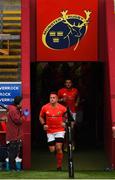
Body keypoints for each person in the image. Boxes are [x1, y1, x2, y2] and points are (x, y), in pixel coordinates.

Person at [39, 92, 67, 171]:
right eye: (51, 98)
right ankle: (58, 153)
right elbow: (40, 117)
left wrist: (65, 122)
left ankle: (59, 166)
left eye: (54, 98)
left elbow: (67, 117)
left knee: (58, 147)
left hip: (60, 130)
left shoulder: (62, 108)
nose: (52, 99)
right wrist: (44, 124)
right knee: (52, 150)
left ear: (57, 99)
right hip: (50, 131)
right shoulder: (45, 107)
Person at [58, 79, 80, 150]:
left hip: (72, 112)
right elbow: (56, 100)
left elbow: (78, 96)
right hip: (64, 112)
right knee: (64, 129)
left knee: (72, 128)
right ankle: (65, 144)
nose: (68, 84)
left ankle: (72, 142)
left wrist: (77, 102)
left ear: (72, 84)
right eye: (67, 83)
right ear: (64, 84)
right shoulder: (61, 91)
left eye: (69, 83)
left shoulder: (75, 90)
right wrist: (61, 100)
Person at [6, 96, 24, 171]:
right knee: (13, 153)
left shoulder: (14, 109)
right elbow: (18, 121)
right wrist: (23, 116)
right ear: (18, 103)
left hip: (14, 134)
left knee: (13, 152)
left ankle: (13, 168)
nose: (22, 103)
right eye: (21, 102)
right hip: (13, 135)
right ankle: (12, 169)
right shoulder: (13, 110)